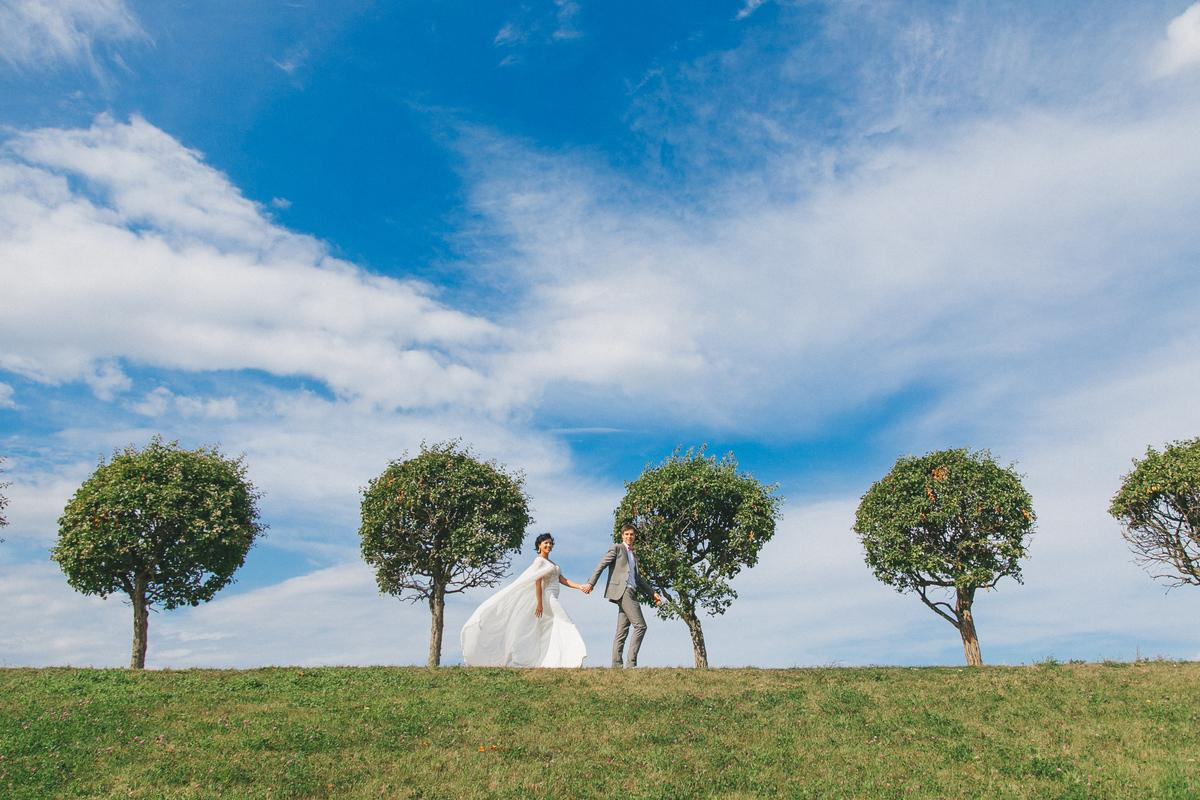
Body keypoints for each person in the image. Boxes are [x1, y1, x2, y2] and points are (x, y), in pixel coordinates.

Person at [460, 533, 588, 667]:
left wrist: (580, 586)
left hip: (554, 596)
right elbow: (537, 582)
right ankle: (574, 652)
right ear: (539, 546)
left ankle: (554, 660)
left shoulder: (553, 564)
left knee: (549, 627)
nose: (549, 545)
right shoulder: (539, 561)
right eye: (546, 543)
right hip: (548, 597)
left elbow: (562, 579)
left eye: (550, 543)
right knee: (564, 620)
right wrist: (539, 603)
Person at [583, 523, 663, 668]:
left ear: (634, 536)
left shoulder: (633, 555)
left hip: (631, 590)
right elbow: (602, 564)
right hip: (623, 590)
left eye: (631, 534)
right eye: (626, 534)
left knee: (622, 631)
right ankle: (631, 664)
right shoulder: (617, 548)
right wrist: (591, 583)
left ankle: (616, 665)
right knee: (641, 626)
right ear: (622, 536)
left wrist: (653, 593)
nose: (629, 537)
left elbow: (638, 579)